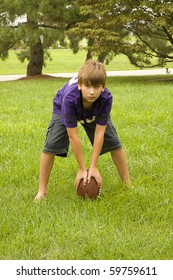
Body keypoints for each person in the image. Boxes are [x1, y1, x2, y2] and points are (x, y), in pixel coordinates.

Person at [35, 60, 131, 201]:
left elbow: (100, 133)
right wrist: (82, 168)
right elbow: (73, 137)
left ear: (103, 87)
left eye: (96, 86)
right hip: (63, 107)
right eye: (87, 86)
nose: (91, 92)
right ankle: (41, 192)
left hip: (93, 111)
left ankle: (127, 185)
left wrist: (93, 167)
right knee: (50, 146)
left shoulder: (106, 99)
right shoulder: (69, 99)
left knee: (114, 143)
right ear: (80, 85)